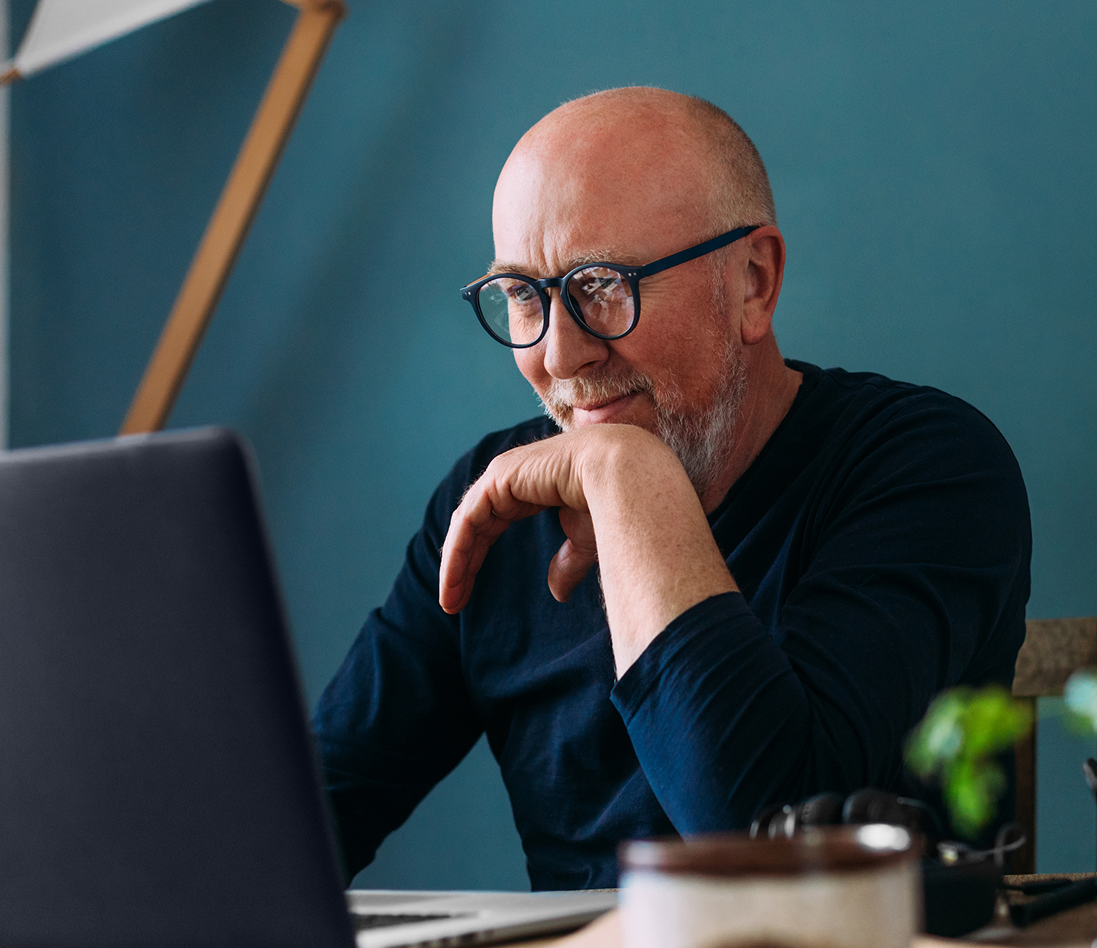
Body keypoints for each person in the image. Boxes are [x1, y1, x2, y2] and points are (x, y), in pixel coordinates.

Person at [311, 87, 1031, 890]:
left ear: (753, 281)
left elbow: (767, 847)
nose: (559, 356)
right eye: (522, 295)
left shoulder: (925, 465)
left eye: (601, 284)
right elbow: (301, 829)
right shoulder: (492, 508)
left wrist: (626, 477)